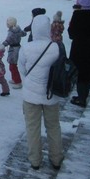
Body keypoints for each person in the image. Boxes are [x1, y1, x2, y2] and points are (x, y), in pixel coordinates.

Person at [17, 14, 63, 170]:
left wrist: (29, 83)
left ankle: (35, 159)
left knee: (32, 128)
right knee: (54, 126)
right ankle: (56, 158)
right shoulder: (56, 47)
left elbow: (21, 69)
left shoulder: (26, 48)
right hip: (52, 94)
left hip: (31, 96)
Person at [3, 16, 26, 88]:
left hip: (13, 50)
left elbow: (8, 40)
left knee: (13, 66)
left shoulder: (11, 32)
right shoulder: (18, 29)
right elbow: (24, 34)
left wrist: (2, 45)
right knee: (13, 66)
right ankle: (14, 79)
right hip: (18, 48)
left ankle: (18, 82)